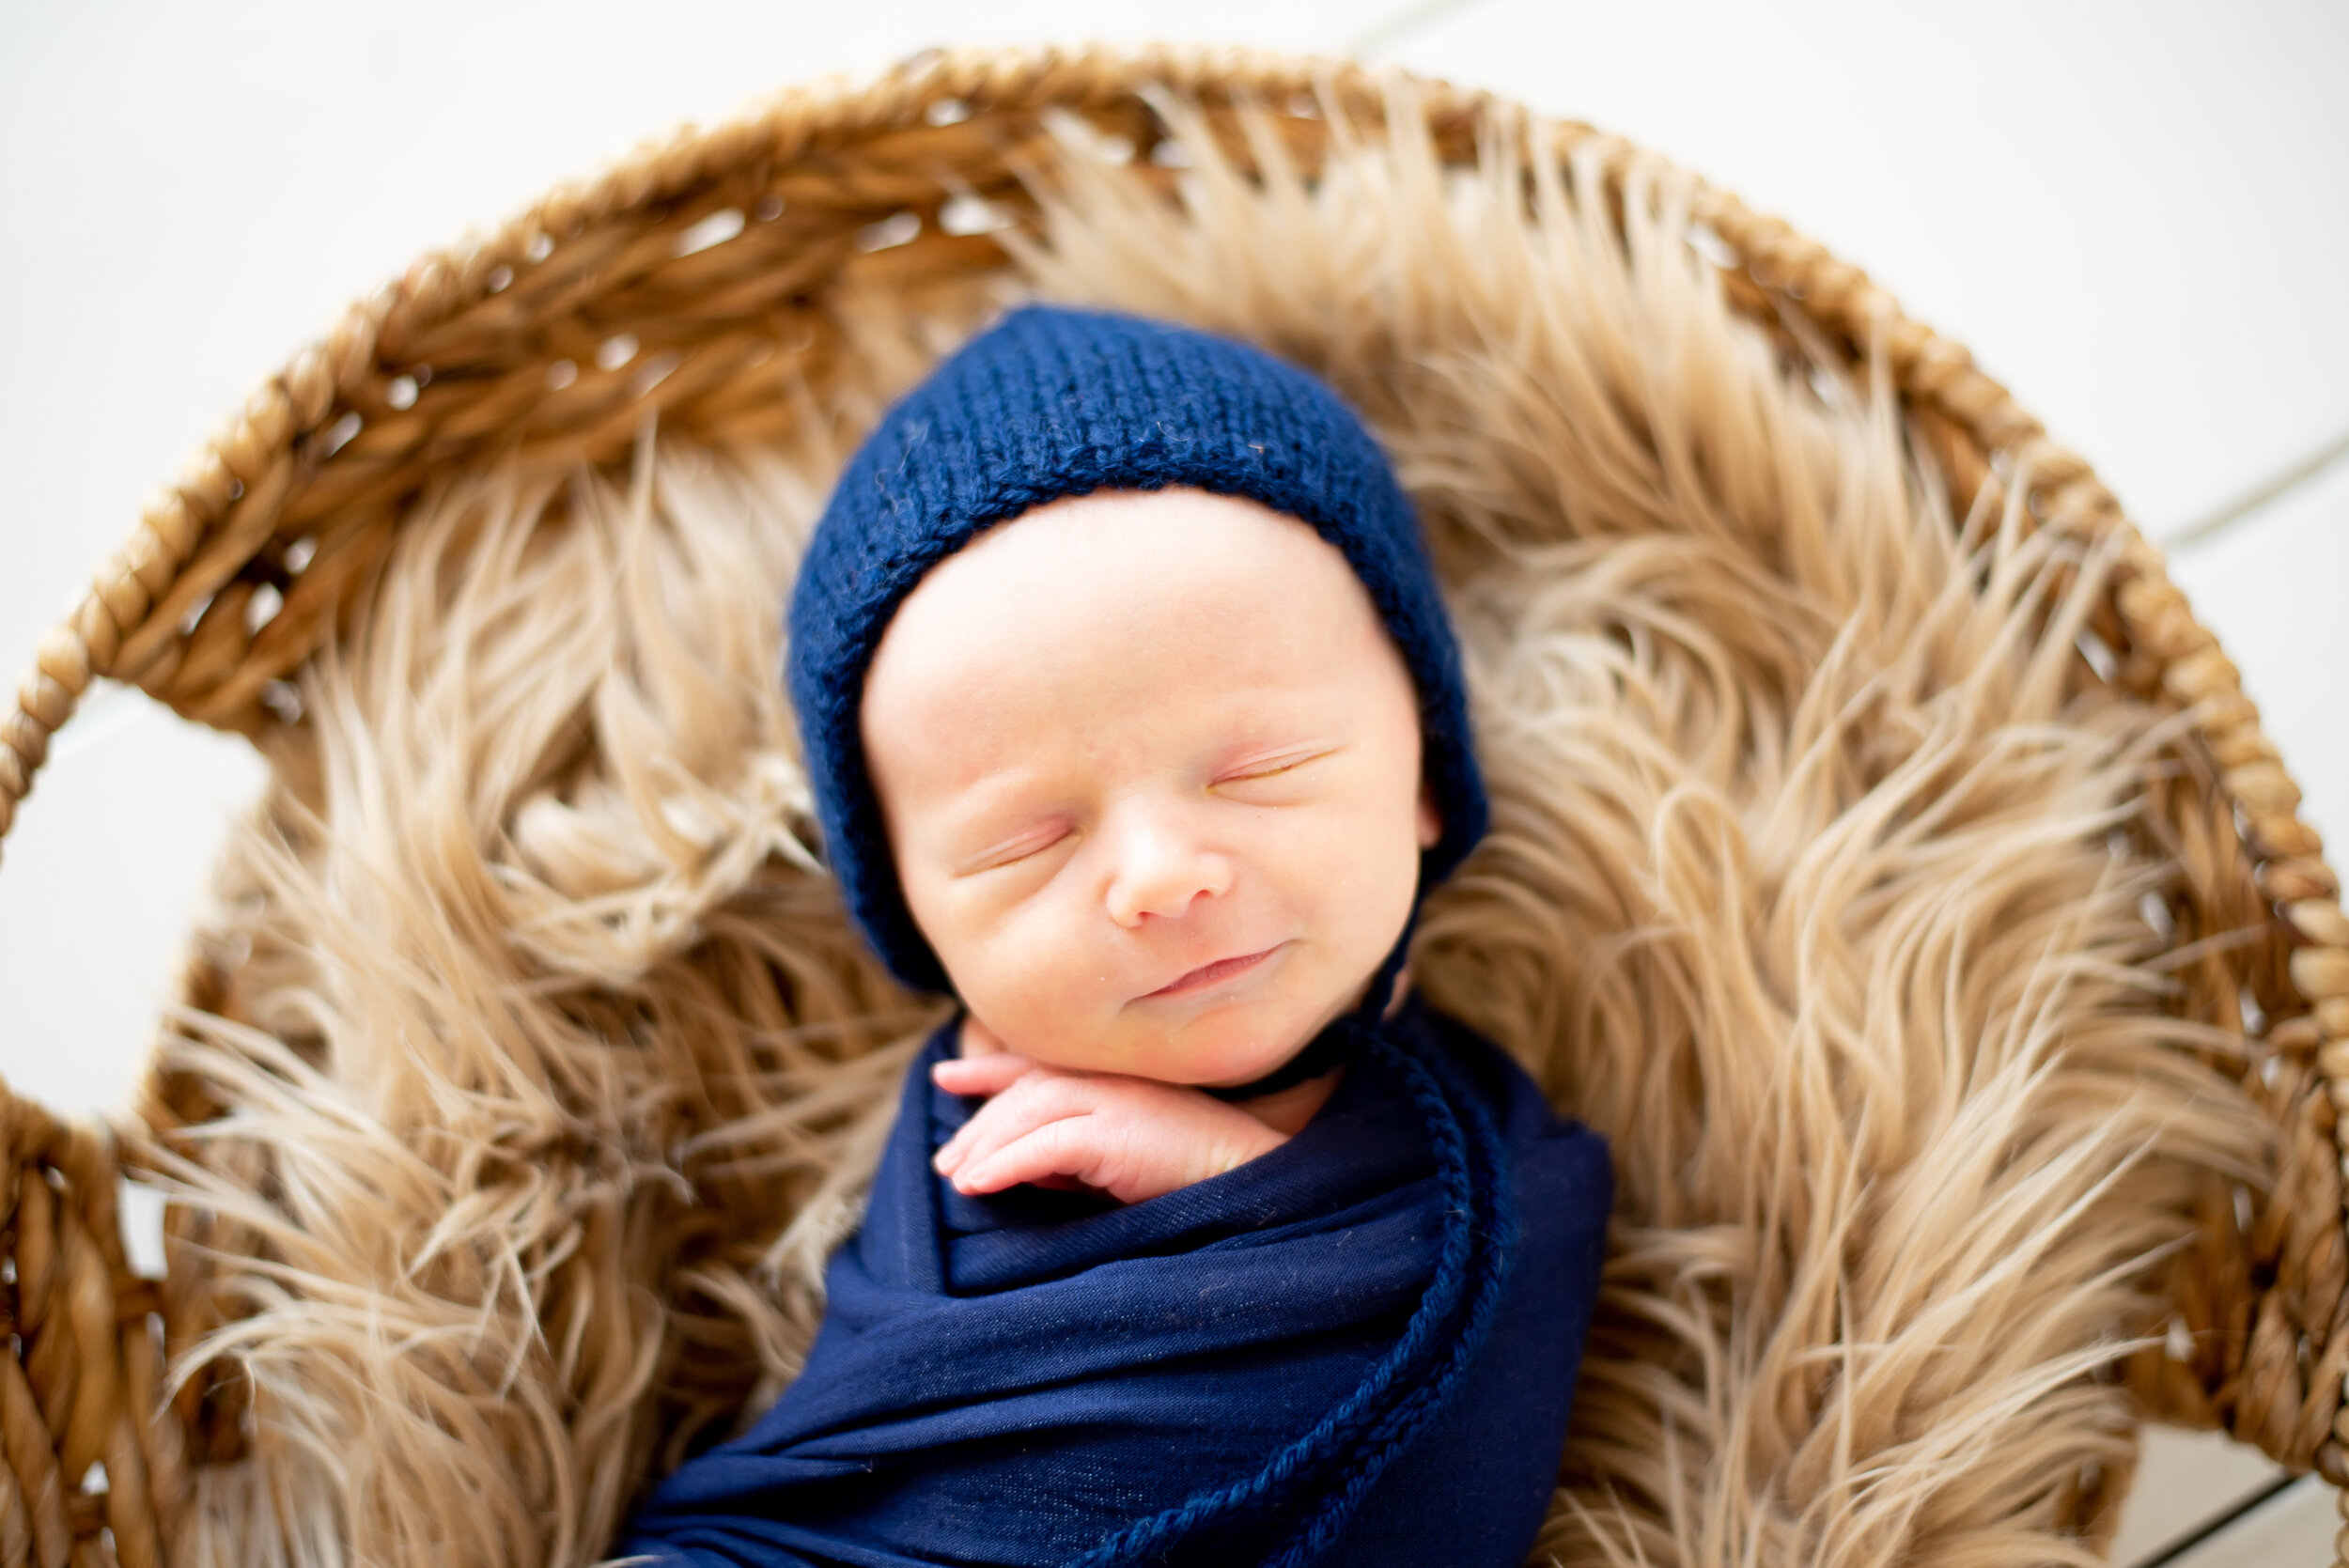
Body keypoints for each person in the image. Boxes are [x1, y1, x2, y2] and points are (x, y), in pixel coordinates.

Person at [618, 303, 1611, 1567]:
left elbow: (1458, 1437)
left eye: (1262, 767)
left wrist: (1225, 1183)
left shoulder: (1487, 1164)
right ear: (918, 921)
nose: (1157, 876)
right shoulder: (965, 1146)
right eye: (1024, 845)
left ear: (1422, 766)